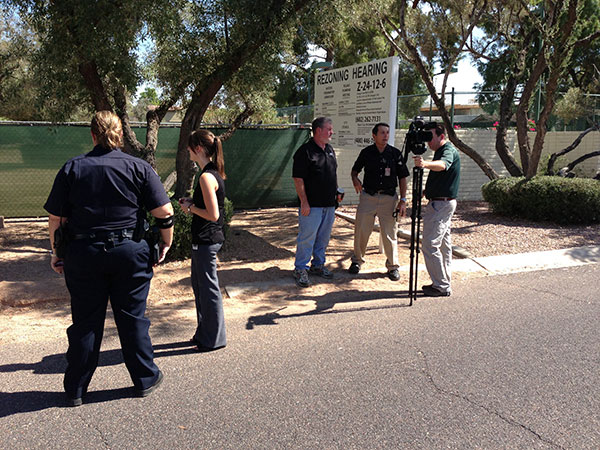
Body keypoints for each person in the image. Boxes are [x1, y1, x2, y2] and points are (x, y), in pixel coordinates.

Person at [44, 111, 174, 407]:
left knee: (86, 322)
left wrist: (56, 252)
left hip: (83, 255)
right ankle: (144, 379)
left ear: (92, 135)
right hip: (130, 254)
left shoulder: (72, 168)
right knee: (131, 318)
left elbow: (56, 218)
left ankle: (76, 388)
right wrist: (165, 243)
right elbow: (164, 213)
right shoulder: (138, 167)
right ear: (120, 135)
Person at [178, 130, 227, 352]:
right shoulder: (210, 173)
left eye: (189, 147)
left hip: (207, 240)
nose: (187, 151)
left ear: (198, 148)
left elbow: (213, 214)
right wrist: (193, 202)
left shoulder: (207, 176)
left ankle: (214, 339)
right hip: (204, 239)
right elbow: (208, 206)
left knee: (208, 290)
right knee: (200, 288)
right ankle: (203, 334)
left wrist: (190, 208)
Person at [348, 123, 409, 281]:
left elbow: (403, 178)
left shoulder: (395, 154)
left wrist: (403, 200)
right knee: (362, 230)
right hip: (368, 197)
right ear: (374, 135)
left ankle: (393, 266)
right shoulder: (366, 152)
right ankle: (357, 261)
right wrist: (355, 179)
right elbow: (355, 170)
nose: (386, 135)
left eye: (387, 132)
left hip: (389, 199)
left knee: (390, 233)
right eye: (382, 132)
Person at [413, 121, 461, 297]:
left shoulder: (447, 151)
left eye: (430, 137)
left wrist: (424, 164)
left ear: (441, 136)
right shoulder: (440, 151)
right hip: (441, 202)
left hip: (441, 205)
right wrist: (427, 191)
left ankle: (441, 286)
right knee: (443, 246)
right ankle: (443, 282)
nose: (428, 142)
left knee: (430, 245)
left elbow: (443, 165)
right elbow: (442, 176)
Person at [291, 117, 340, 288]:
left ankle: (318, 265)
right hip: (312, 206)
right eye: (329, 129)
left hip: (329, 204)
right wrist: (304, 202)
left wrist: (337, 194)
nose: (331, 132)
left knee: (323, 238)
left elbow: (332, 174)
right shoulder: (305, 152)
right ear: (318, 130)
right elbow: (298, 179)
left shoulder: (329, 149)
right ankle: (300, 269)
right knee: (307, 238)